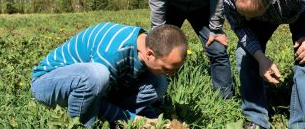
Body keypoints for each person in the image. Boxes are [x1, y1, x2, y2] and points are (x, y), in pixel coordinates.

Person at [222, 0, 305, 129]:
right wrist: (261, 58)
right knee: (244, 53)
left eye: (251, 14)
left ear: (271, 2)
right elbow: (241, 26)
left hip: (300, 8)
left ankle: (302, 124)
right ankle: (256, 119)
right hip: (266, 10)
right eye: (242, 12)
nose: (247, 19)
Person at [31, 22, 188, 127]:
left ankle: (115, 118)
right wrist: (138, 121)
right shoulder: (114, 52)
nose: (172, 74)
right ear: (150, 54)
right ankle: (81, 124)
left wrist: (153, 120)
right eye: (168, 68)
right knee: (96, 76)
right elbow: (96, 100)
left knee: (159, 83)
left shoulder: (146, 42)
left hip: (90, 87)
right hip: (48, 82)